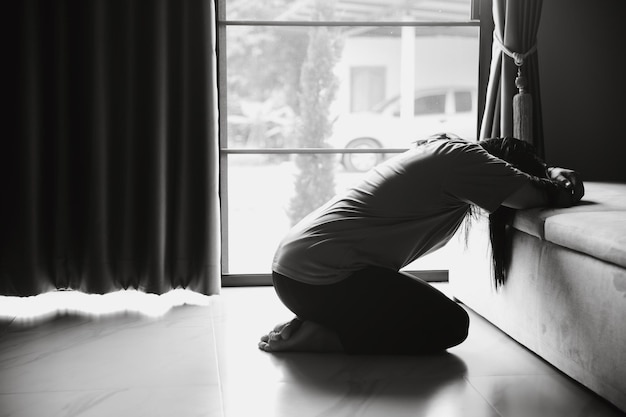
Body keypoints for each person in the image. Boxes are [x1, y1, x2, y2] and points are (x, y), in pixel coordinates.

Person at [259, 136, 584, 355]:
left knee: (424, 304)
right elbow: (532, 194)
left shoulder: (444, 154)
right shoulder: (466, 159)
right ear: (501, 167)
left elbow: (518, 186)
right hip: (321, 279)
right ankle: (327, 337)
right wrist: (558, 179)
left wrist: (545, 169)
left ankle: (325, 319)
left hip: (297, 273)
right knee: (452, 325)